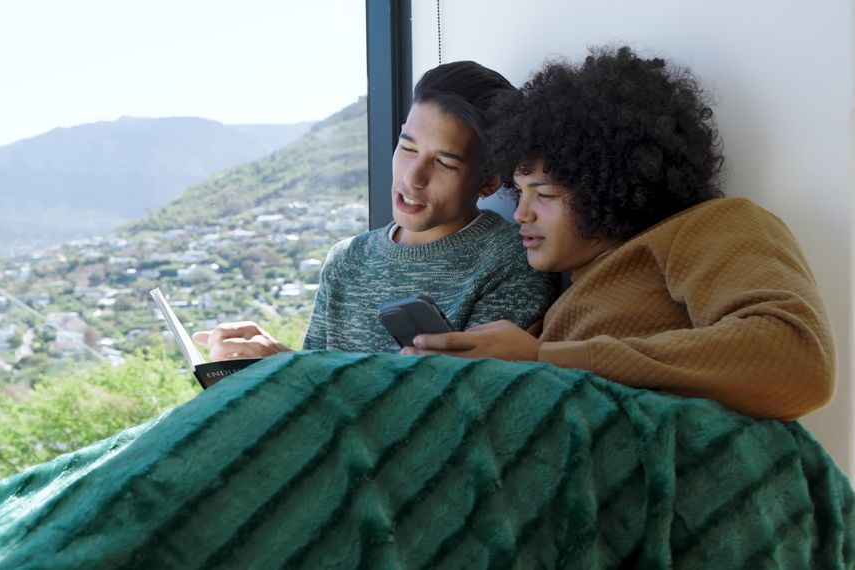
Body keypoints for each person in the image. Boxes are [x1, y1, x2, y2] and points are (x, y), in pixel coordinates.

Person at [404, 46, 835, 421]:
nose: (520, 213)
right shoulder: (562, 301)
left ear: (613, 188)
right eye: (520, 191)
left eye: (546, 193)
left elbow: (796, 358)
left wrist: (540, 360)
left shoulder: (709, 227)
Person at [193, 61, 560, 360]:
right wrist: (265, 366)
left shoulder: (513, 259)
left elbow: (449, 407)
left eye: (444, 164)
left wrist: (285, 362)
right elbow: (308, 398)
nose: (413, 178)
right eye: (408, 148)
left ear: (489, 182)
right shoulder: (347, 259)